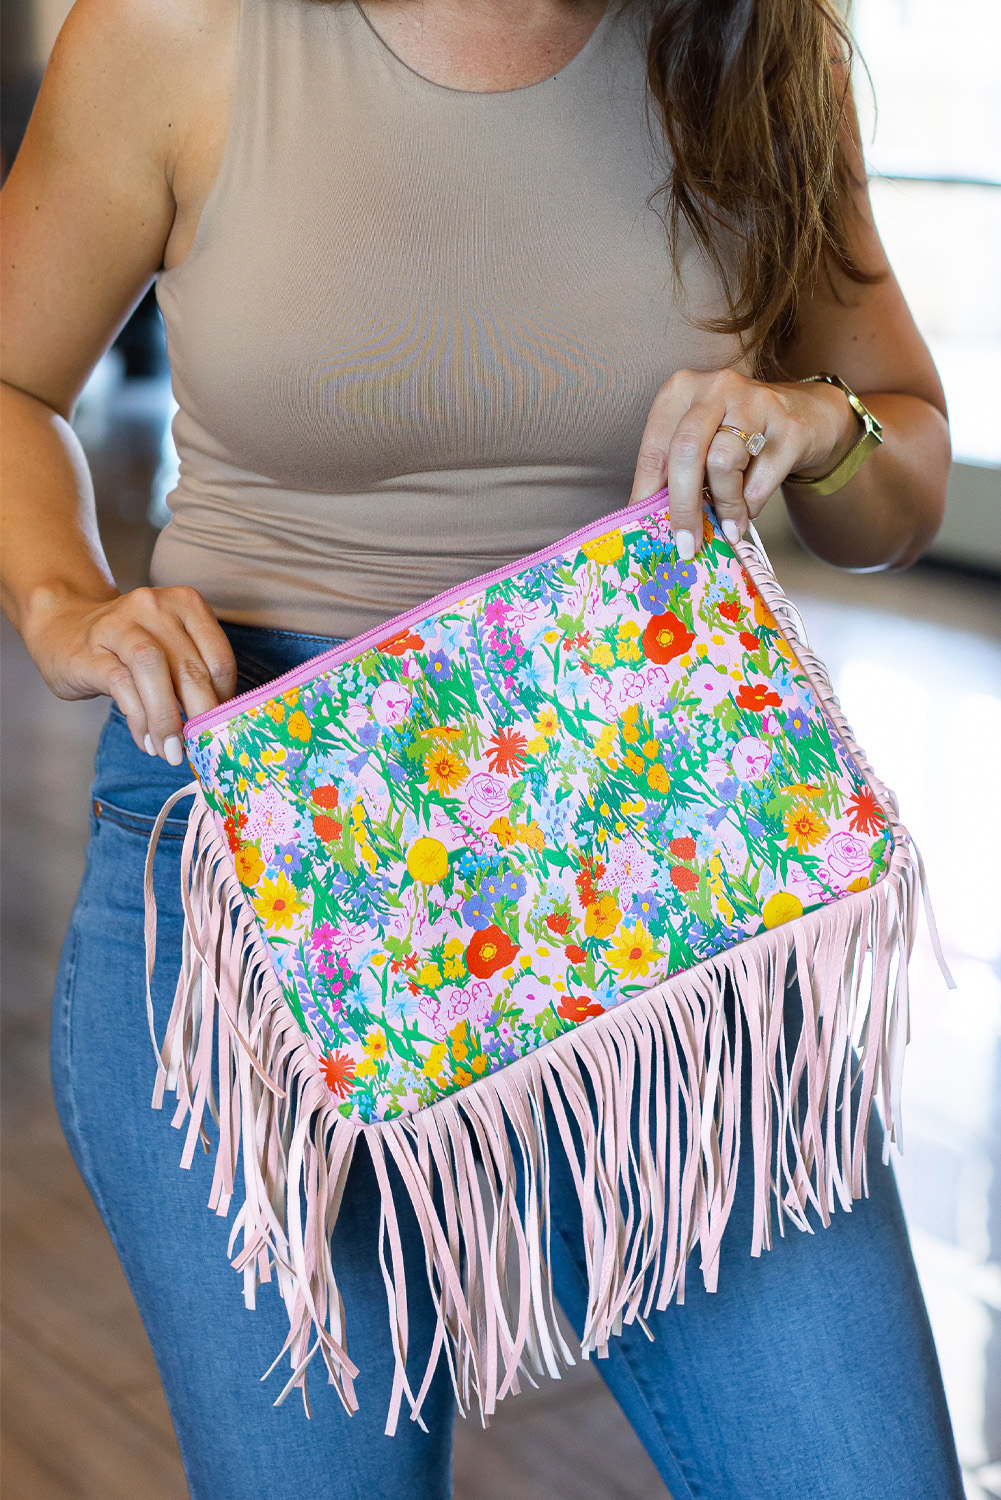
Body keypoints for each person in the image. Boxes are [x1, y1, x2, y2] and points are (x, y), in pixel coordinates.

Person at [0, 0, 965, 1494]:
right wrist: (63, 595)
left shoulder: (750, 43)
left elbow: (895, 471)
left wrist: (811, 421)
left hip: (645, 855)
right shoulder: (179, 34)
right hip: (261, 873)